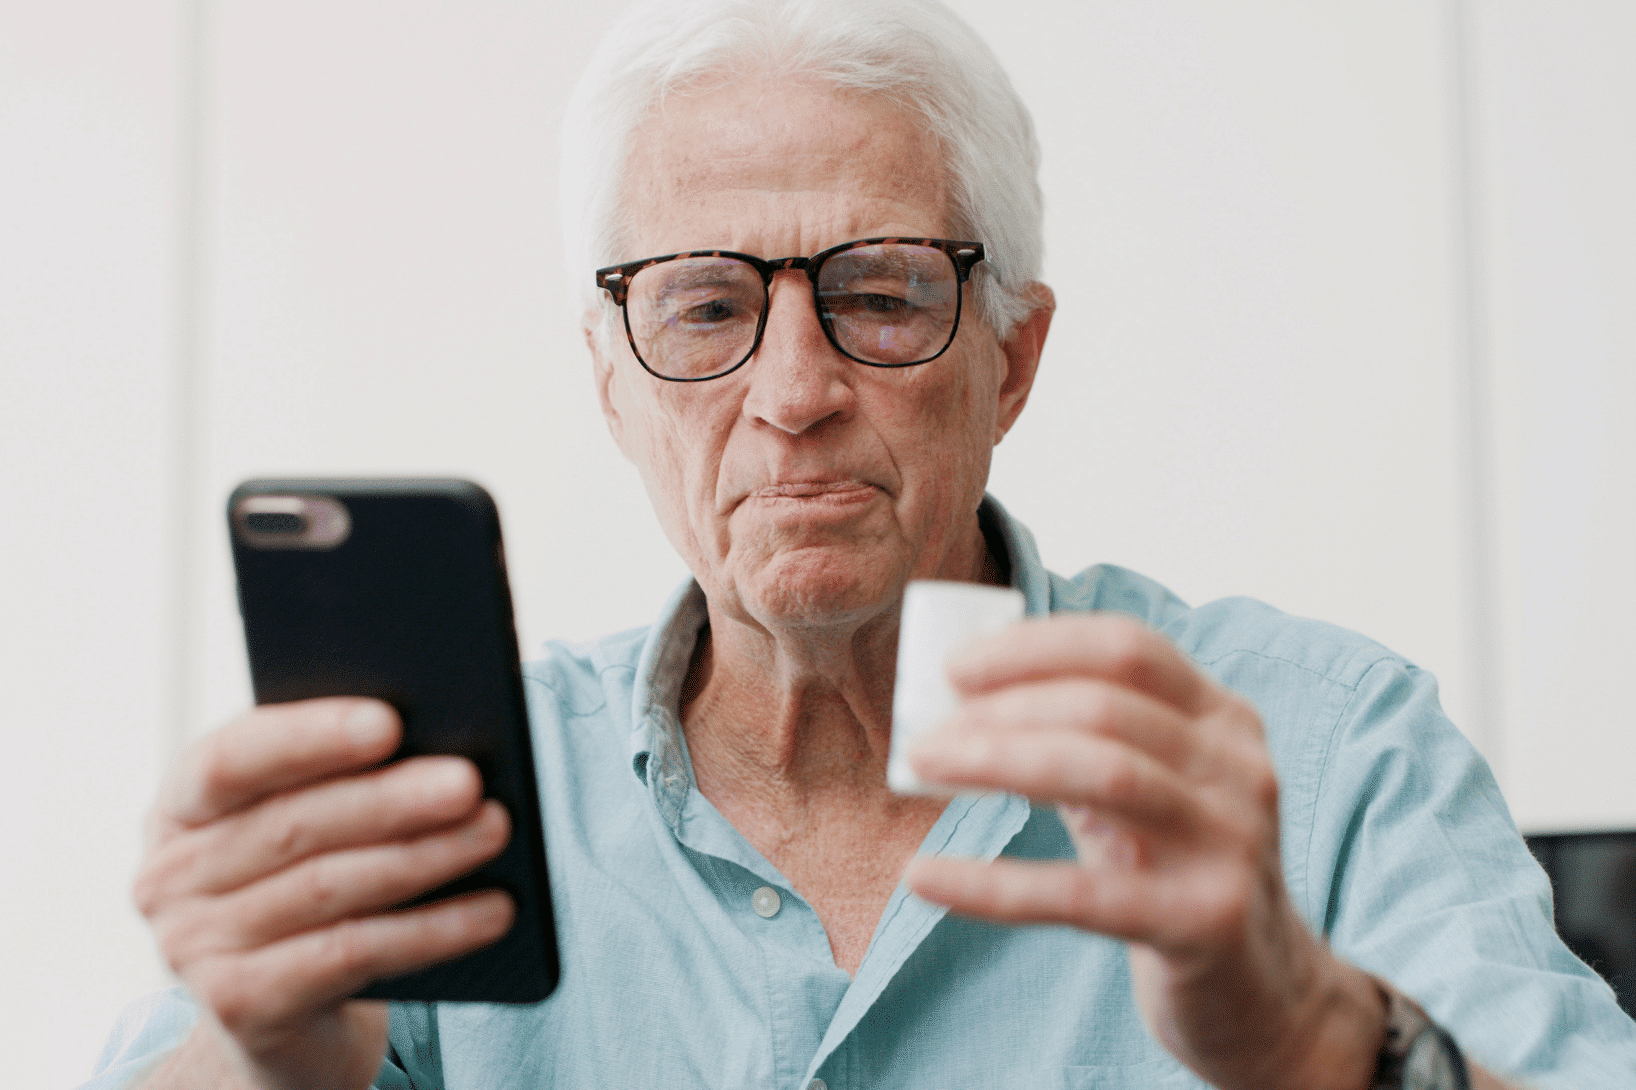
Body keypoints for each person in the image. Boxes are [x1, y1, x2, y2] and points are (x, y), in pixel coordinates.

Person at [86, 1, 1636, 1088]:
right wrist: (262, 1061)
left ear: (1012, 360)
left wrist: (1315, 1043)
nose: (794, 392)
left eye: (882, 291)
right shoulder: (440, 818)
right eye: (704, 305)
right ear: (612, 387)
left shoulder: (1327, 745)